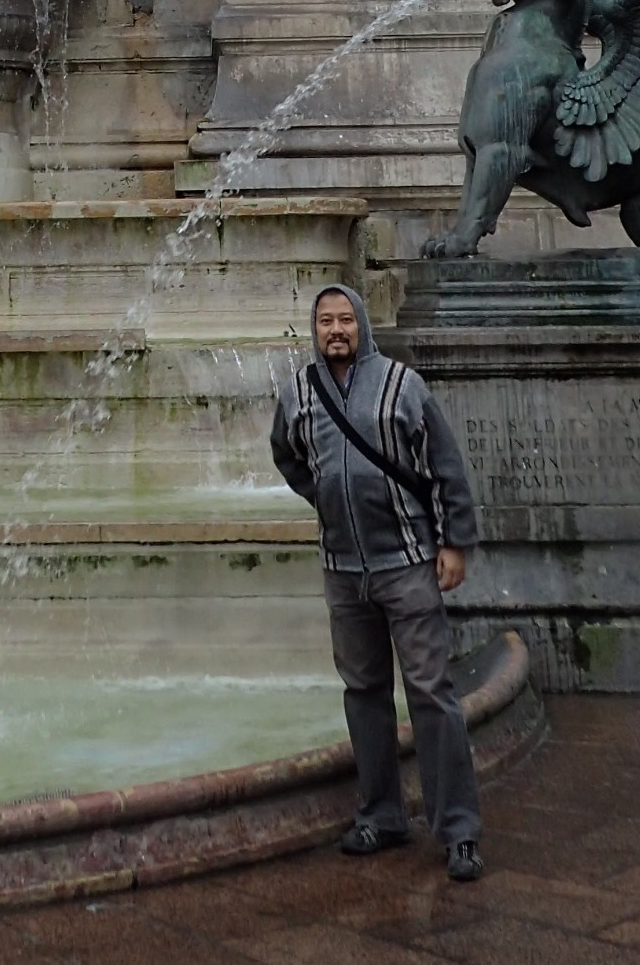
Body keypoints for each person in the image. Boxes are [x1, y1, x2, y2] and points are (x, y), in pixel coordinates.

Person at [270, 283, 485, 880]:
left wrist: (454, 542)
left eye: (345, 320)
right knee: (363, 693)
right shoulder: (299, 392)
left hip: (408, 561)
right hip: (343, 569)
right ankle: (382, 815)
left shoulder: (401, 384)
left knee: (431, 693)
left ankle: (459, 830)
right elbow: (284, 455)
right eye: (325, 322)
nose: (336, 330)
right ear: (314, 331)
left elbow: (445, 466)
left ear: (362, 324)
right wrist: (327, 497)